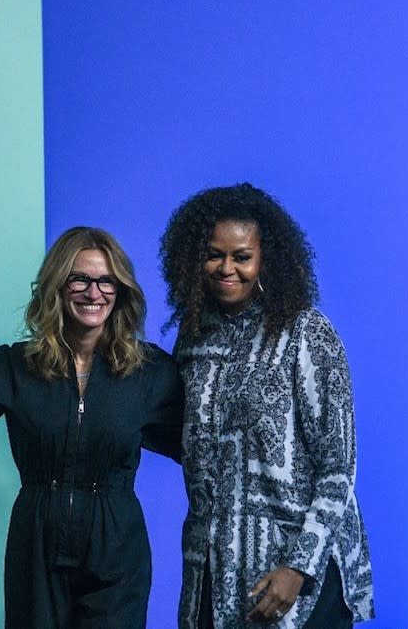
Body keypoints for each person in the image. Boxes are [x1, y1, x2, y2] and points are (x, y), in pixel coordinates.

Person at [0, 227, 183, 628]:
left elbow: (197, 446)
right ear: (57, 287)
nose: (93, 292)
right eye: (79, 278)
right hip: (37, 546)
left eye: (106, 281)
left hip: (116, 548)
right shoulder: (17, 365)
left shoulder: (148, 371)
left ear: (121, 290)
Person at [160, 183, 375, 628]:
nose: (226, 268)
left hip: (295, 574)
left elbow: (338, 467)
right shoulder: (193, 338)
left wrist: (299, 566)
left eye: (241, 256)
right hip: (212, 570)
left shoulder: (306, 333)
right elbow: (187, 438)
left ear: (265, 260)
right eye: (214, 254)